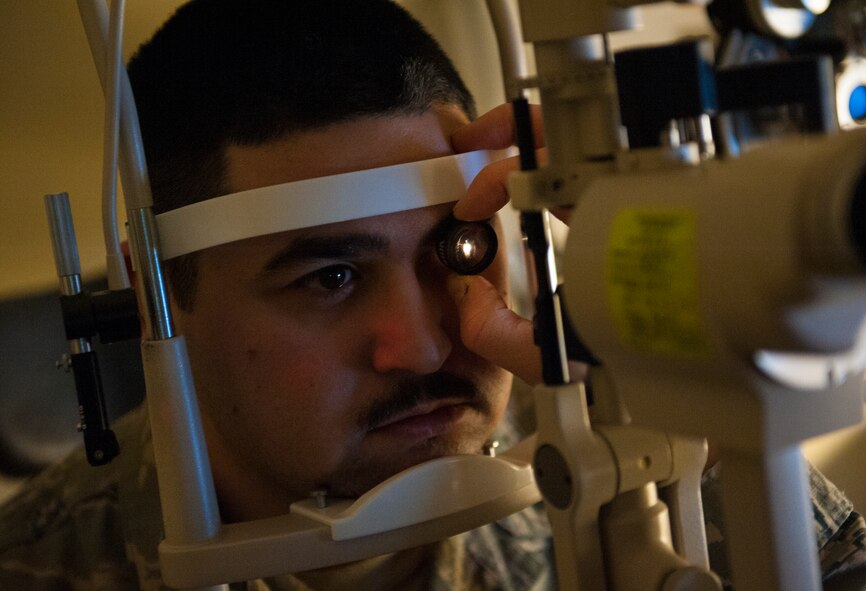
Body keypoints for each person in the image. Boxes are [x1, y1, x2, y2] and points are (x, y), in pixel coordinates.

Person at [0, 1, 863, 589]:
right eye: (330, 277)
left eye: (462, 245)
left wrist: (704, 401)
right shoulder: (41, 566)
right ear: (159, 300)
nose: (421, 344)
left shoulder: (643, 446)